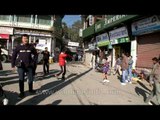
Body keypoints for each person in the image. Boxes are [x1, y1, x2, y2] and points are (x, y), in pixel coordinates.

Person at [11, 34, 38, 99]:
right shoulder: (18, 47)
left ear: (28, 39)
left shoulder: (31, 47)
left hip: (29, 66)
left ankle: (30, 90)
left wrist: (33, 62)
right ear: (22, 39)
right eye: (24, 38)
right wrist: (13, 65)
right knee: (21, 79)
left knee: (31, 79)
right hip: (21, 66)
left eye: (26, 38)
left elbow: (36, 55)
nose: (25, 39)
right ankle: (22, 93)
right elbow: (14, 55)